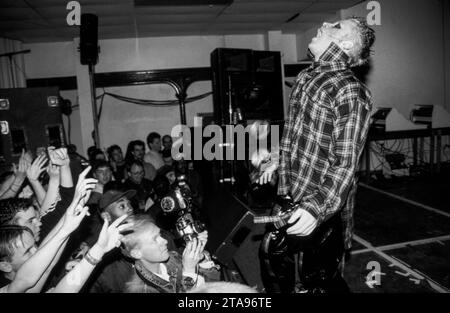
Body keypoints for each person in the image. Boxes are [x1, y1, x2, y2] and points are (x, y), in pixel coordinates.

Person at [256, 17, 375, 293]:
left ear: (344, 43)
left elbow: (345, 163)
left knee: (319, 281)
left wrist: (316, 207)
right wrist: (278, 159)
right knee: (274, 264)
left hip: (321, 204)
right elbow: (300, 136)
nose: (325, 22)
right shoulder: (307, 77)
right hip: (290, 193)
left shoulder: (350, 90)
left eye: (336, 25)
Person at [122, 214, 217, 293]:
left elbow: (213, 284)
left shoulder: (173, 257)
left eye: (160, 235)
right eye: (155, 239)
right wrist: (189, 271)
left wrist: (202, 259)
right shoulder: (139, 290)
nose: (165, 241)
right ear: (137, 253)